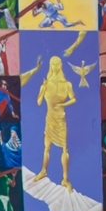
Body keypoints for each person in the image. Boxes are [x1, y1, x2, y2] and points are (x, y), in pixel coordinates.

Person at [33, 57, 76, 190]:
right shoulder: (45, 84)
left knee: (64, 148)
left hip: (61, 119)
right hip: (50, 118)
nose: (55, 66)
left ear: (60, 65)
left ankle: (65, 179)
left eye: (57, 64)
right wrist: (43, 88)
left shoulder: (67, 84)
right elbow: (39, 102)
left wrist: (63, 104)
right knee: (47, 147)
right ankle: (43, 170)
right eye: (52, 64)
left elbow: (73, 98)